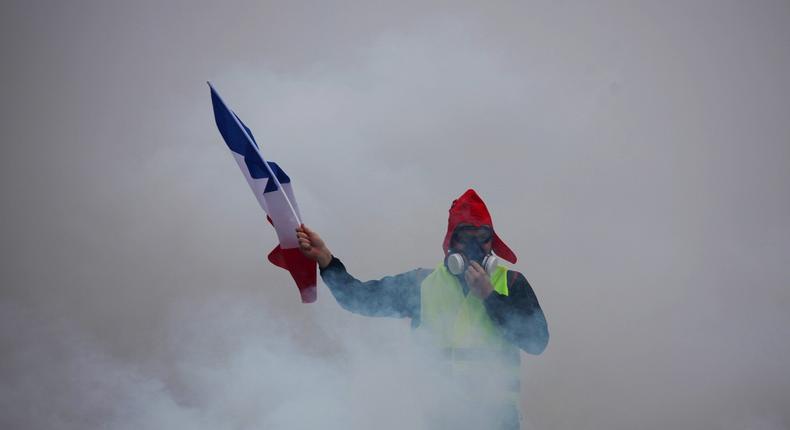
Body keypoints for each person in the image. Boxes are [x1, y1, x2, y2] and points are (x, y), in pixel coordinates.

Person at [296, 189, 549, 429]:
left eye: (482, 238)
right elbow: (357, 297)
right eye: (464, 237)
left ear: (492, 244)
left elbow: (537, 342)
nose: (474, 247)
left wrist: (489, 296)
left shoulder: (512, 283)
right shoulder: (421, 285)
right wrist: (326, 260)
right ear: (450, 243)